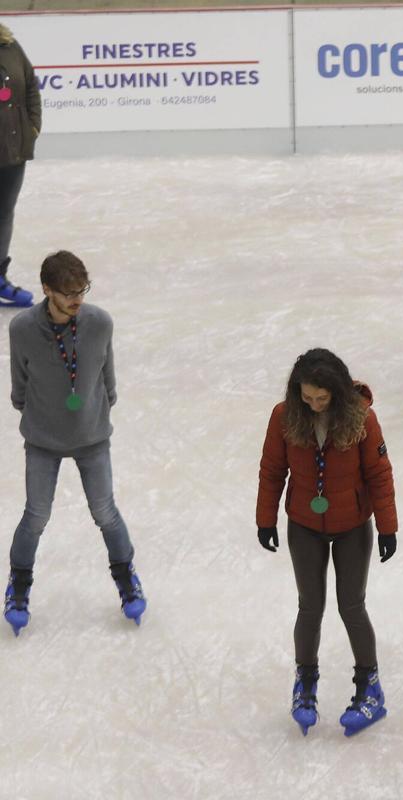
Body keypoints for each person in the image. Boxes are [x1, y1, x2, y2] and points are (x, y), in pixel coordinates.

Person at [255, 348, 398, 737]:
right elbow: (272, 470)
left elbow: (379, 474)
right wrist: (265, 519)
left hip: (352, 525)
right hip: (304, 524)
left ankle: (370, 688)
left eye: (322, 398)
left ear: (337, 391)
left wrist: (388, 527)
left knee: (351, 605)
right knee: (310, 606)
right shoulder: (285, 416)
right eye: (307, 397)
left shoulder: (362, 419)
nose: (314, 404)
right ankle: (305, 683)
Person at [4, 251, 145, 637]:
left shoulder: (99, 323)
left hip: (91, 438)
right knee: (36, 514)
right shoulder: (22, 329)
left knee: (105, 511)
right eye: (67, 293)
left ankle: (125, 578)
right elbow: (19, 387)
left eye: (81, 290)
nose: (76, 299)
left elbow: (108, 378)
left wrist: (94, 416)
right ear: (47, 290)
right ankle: (18, 586)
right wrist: (40, 418)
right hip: (43, 439)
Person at [0, 24, 41, 308]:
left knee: (3, 214)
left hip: (12, 150)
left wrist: (33, 127)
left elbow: (30, 87)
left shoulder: (10, 46)